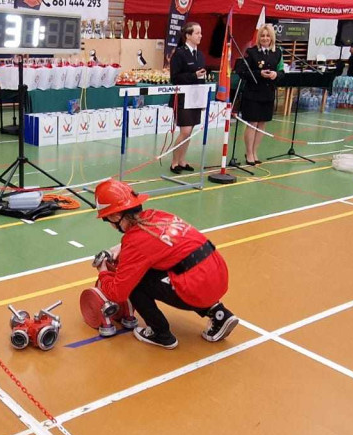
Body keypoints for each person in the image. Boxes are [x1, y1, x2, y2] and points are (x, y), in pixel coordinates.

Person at [92, 179, 239, 349]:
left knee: (135, 283)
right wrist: (122, 247)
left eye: (107, 220)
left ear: (115, 216)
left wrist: (102, 271)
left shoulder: (135, 242)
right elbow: (159, 242)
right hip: (217, 273)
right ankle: (220, 314)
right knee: (175, 266)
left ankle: (160, 333)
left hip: (197, 287)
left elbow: (118, 292)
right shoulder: (157, 216)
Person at [236, 24, 284, 165]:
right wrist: (259, 74)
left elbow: (282, 71)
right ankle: (249, 152)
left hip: (268, 93)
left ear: (272, 38)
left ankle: (255, 151)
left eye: (268, 35)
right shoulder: (251, 52)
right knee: (253, 122)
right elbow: (242, 71)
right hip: (253, 93)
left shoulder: (278, 53)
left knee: (262, 123)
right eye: (262, 35)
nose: (265, 38)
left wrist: (276, 74)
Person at [168, 22, 206, 174]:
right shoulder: (179, 54)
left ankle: (182, 160)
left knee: (190, 132)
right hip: (183, 97)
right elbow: (174, 77)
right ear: (188, 36)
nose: (200, 36)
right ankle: (174, 162)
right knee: (185, 130)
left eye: (200, 33)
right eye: (197, 33)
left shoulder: (200, 55)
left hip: (196, 97)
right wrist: (193, 75)